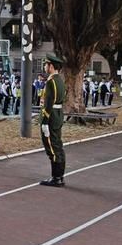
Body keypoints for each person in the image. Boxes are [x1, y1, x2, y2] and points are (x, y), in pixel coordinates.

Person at [39, 53, 67, 187]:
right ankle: (59, 176)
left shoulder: (52, 81)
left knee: (52, 147)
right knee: (57, 146)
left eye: (46, 64)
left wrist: (44, 121)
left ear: (51, 66)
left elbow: (49, 102)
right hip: (57, 115)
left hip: (51, 117)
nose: (45, 66)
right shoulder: (59, 80)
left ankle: (56, 178)